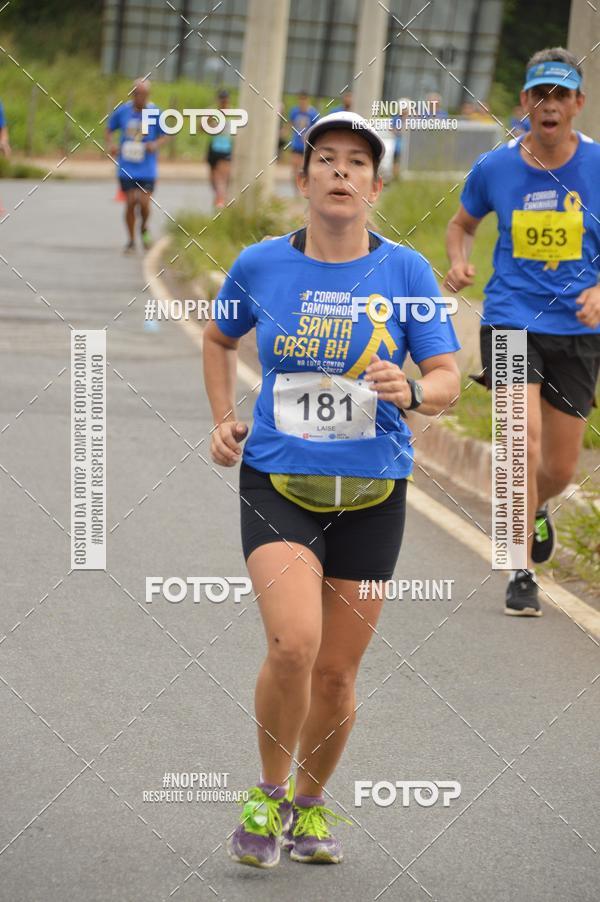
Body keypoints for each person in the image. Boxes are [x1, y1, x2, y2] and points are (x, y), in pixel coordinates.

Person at [203, 110, 460, 869]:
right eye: (326, 159)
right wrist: (221, 418)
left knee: (338, 673)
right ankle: (267, 794)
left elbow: (447, 377)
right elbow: (219, 337)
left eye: (357, 162)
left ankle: (311, 803)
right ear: (302, 178)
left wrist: (413, 391)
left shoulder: (407, 273)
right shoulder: (260, 264)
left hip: (374, 493)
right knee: (293, 644)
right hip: (278, 479)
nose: (341, 171)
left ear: (376, 186)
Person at [443, 47, 600, 616]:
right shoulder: (496, 167)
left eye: (561, 95)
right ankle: (520, 569)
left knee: (559, 467)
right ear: (524, 102)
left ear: (578, 103)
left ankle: (534, 508)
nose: (549, 105)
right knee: (519, 441)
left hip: (578, 330)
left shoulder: (598, 165)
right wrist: (459, 260)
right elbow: (461, 224)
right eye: (540, 94)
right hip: (511, 320)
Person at [105, 79, 169, 253]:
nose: (141, 97)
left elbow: (166, 134)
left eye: (145, 94)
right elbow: (109, 129)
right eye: (138, 94)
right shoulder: (123, 111)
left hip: (147, 168)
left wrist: (155, 144)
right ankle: (131, 240)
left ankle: (144, 227)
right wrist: (111, 145)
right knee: (131, 202)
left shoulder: (155, 112)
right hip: (127, 167)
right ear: (132, 94)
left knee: (144, 203)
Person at [207, 89, 233, 209]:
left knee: (221, 177)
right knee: (213, 179)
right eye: (221, 99)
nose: (223, 101)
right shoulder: (212, 113)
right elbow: (201, 128)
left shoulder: (233, 114)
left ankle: (221, 200)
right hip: (214, 148)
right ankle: (220, 198)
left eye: (225, 99)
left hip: (226, 149)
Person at [288, 91, 319, 187]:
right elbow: (290, 123)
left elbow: (316, 128)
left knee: (303, 168)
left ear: (307, 100)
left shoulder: (313, 113)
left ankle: (304, 187)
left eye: (304, 100)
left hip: (307, 145)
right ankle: (295, 190)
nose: (302, 103)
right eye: (300, 100)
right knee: (294, 168)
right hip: (296, 144)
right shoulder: (294, 111)